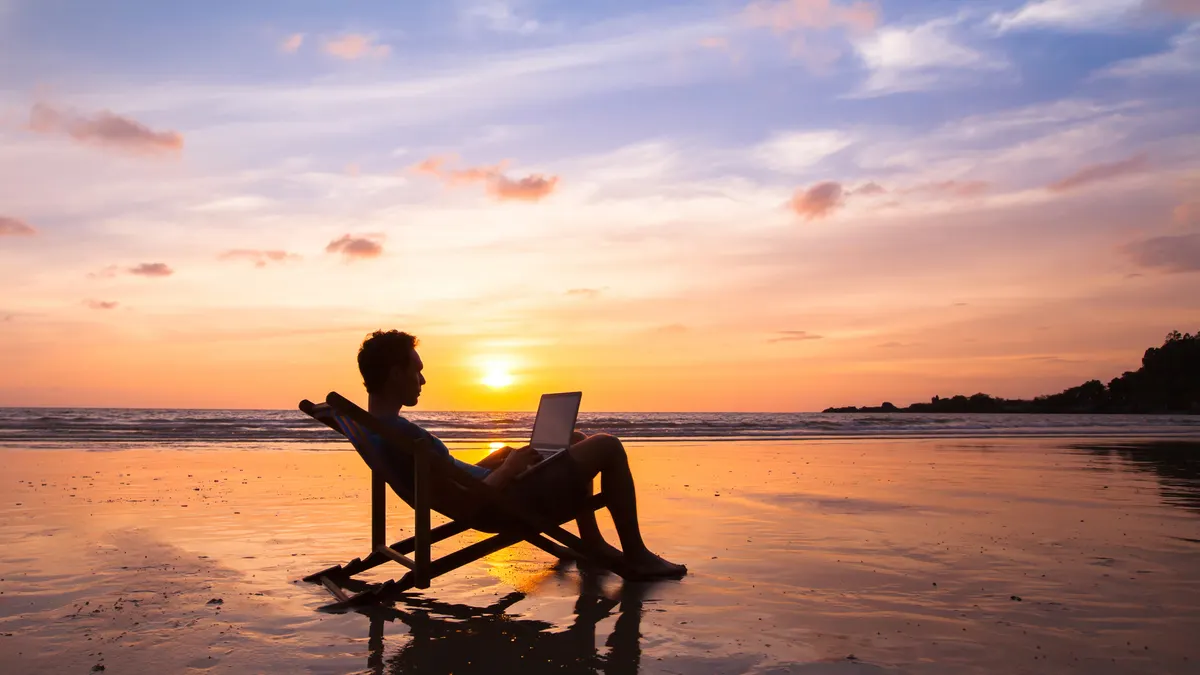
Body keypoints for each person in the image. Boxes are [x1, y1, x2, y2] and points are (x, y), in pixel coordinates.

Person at [358, 329, 686, 580]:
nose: (423, 379)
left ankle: (591, 542)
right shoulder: (402, 435)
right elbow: (466, 503)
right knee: (606, 445)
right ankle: (637, 556)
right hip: (499, 504)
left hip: (492, 488)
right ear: (395, 374)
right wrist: (508, 469)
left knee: (575, 438)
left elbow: (451, 480)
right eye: (417, 371)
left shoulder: (376, 429)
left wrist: (500, 459)